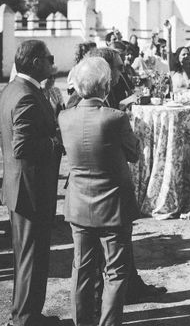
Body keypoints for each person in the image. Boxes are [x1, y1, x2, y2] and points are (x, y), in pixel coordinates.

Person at [59, 56, 139, 326]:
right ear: (105, 86)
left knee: (81, 269)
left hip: (79, 205)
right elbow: (134, 153)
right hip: (113, 205)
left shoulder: (65, 117)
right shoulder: (115, 118)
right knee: (115, 272)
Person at [0, 40, 62, 326]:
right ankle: (25, 318)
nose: (52, 63)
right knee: (31, 258)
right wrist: (56, 142)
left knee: (27, 258)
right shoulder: (25, 95)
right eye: (49, 59)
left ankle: (27, 315)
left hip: (21, 187)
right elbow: (23, 146)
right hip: (30, 189)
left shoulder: (13, 89)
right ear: (36, 62)